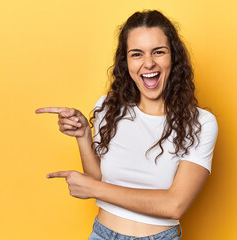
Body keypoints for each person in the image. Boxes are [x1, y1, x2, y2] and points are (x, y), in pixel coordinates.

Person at [36, 10, 218, 240]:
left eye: (159, 52)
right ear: (126, 62)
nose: (148, 63)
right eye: (137, 54)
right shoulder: (109, 108)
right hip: (101, 234)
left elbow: (174, 205)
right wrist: (83, 135)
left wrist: (93, 190)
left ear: (173, 57)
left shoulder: (200, 123)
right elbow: (100, 178)